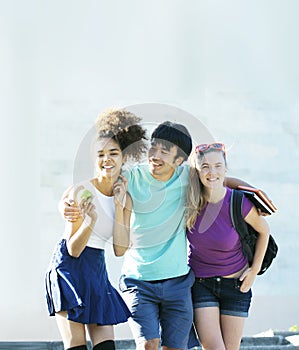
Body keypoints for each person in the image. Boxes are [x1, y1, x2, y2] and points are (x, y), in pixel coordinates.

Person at [63, 121, 258, 350]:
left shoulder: (188, 177)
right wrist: (64, 203)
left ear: (179, 161)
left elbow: (217, 180)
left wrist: (253, 192)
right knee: (149, 344)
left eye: (164, 152)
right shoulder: (131, 178)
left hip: (177, 281)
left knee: (174, 347)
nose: (154, 155)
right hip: (138, 280)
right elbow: (98, 183)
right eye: (153, 148)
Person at [45, 109, 147, 350]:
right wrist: (90, 222)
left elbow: (120, 249)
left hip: (96, 271)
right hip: (69, 269)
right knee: (77, 346)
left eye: (113, 153)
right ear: (94, 159)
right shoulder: (81, 192)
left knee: (106, 347)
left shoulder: (125, 197)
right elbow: (73, 249)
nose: (107, 159)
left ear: (124, 156)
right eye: (100, 154)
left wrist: (121, 207)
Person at [185, 143, 270, 350]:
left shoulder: (238, 203)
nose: (211, 172)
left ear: (225, 168)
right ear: (196, 170)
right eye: (204, 166)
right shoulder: (188, 201)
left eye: (217, 166)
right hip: (201, 284)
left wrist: (255, 270)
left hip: (236, 285)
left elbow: (264, 231)